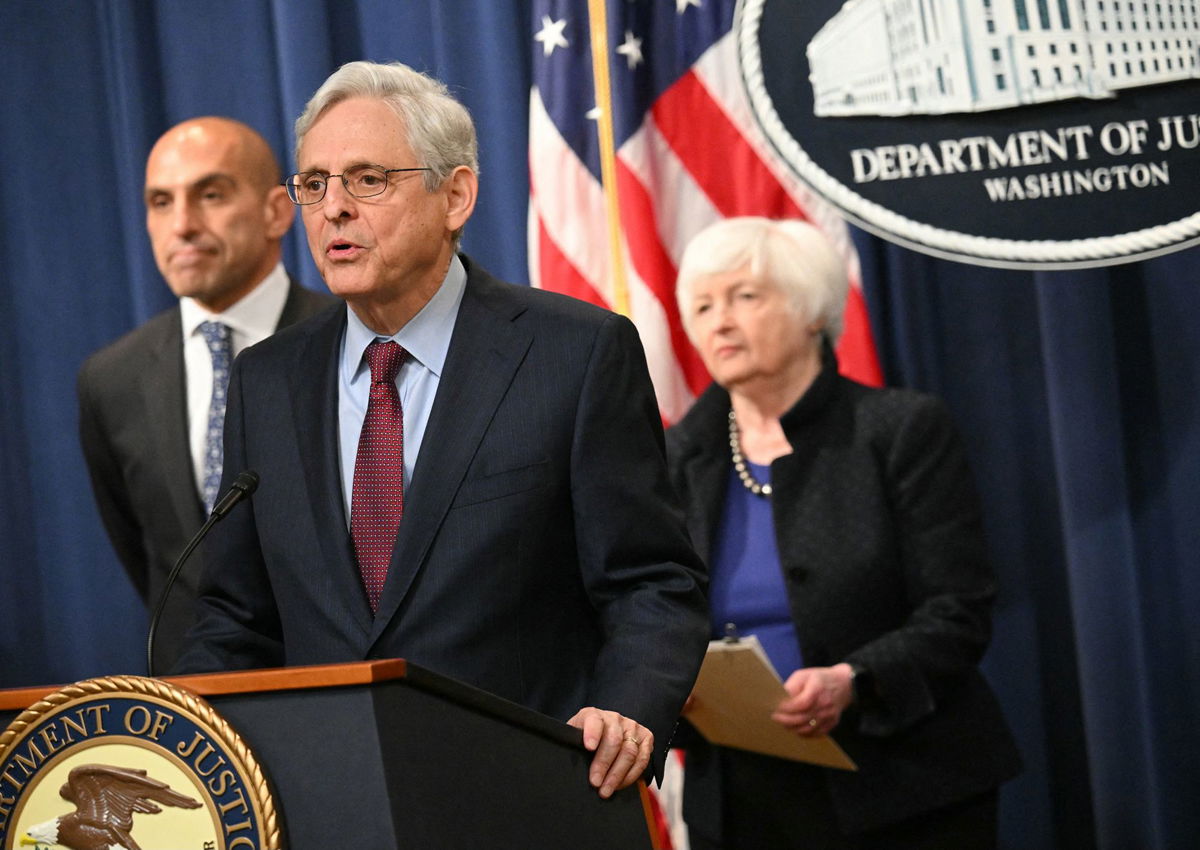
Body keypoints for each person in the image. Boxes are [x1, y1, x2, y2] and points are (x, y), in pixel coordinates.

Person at [173, 61, 709, 799]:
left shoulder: (573, 353)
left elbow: (652, 580)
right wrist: (171, 738)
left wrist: (627, 708)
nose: (333, 208)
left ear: (455, 194)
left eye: (367, 180)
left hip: (533, 793)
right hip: (333, 800)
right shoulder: (269, 381)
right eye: (315, 184)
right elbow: (237, 616)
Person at [666, 217, 1021, 848]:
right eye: (701, 305)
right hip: (743, 795)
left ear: (810, 311)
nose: (718, 321)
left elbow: (958, 610)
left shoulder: (898, 431)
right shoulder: (677, 457)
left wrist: (853, 680)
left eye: (744, 297)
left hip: (904, 781)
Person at [77, 117, 335, 672]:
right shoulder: (111, 379)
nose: (184, 225)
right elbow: (154, 557)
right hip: (195, 712)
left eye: (210, 195)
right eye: (161, 202)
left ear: (276, 211)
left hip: (342, 689)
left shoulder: (355, 338)